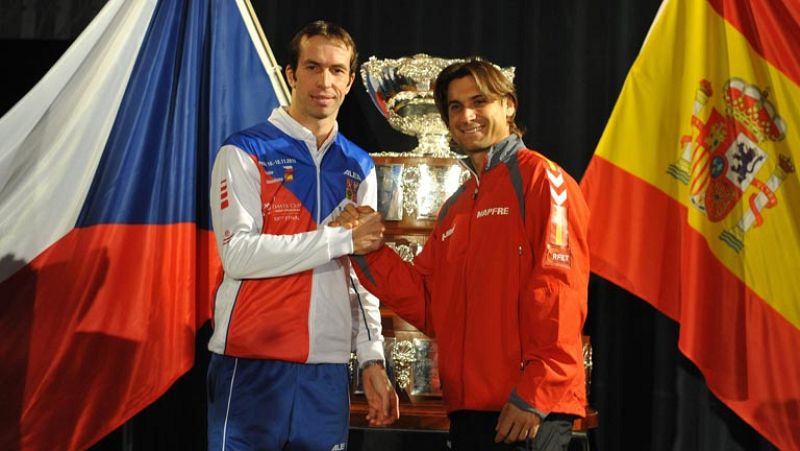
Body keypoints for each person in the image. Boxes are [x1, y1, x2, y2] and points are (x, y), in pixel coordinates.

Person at [336, 59, 590, 450]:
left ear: (508, 105)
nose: (466, 115)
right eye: (455, 106)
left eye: (479, 101)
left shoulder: (543, 180)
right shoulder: (456, 206)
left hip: (527, 414)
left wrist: (534, 396)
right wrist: (368, 249)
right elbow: (429, 303)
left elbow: (559, 293)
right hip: (469, 413)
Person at [206, 20, 398, 450]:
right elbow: (238, 255)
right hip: (251, 360)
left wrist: (370, 356)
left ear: (350, 80)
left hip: (326, 370)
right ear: (291, 74)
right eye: (312, 67)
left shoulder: (358, 164)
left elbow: (360, 276)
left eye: (336, 70)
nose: (324, 81)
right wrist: (340, 240)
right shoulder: (245, 150)